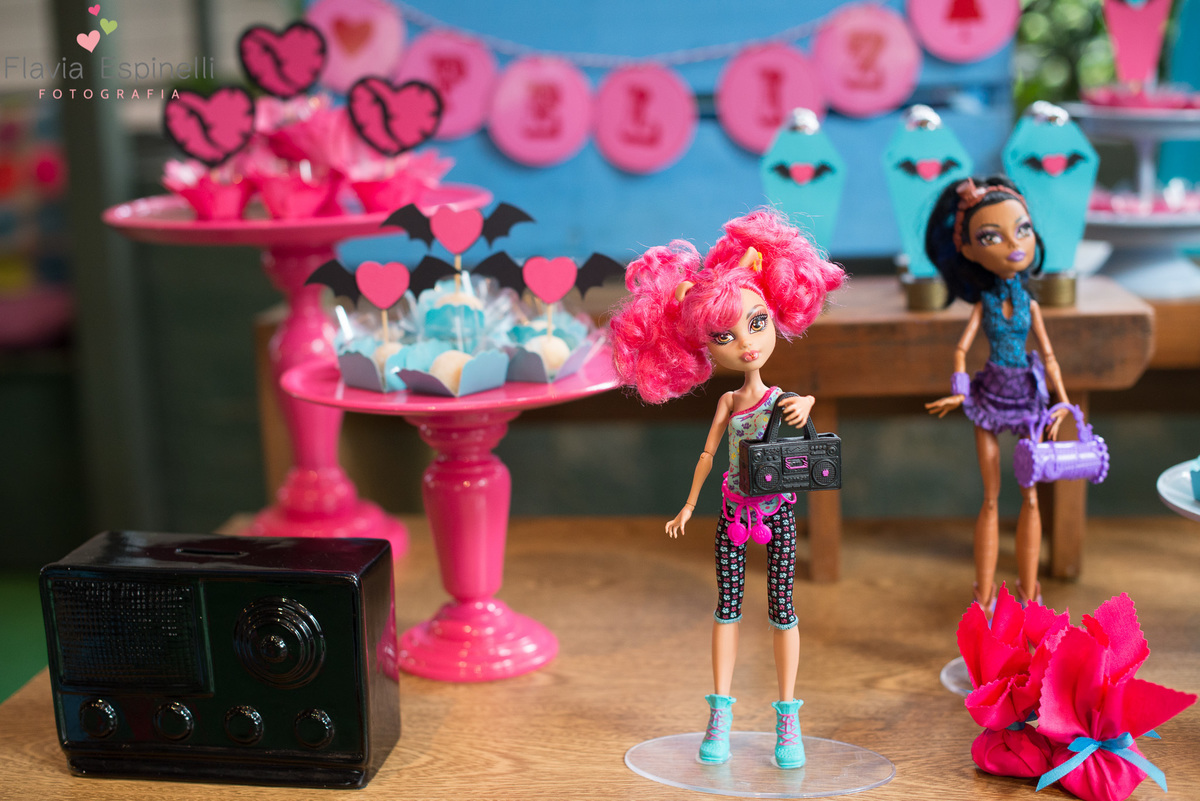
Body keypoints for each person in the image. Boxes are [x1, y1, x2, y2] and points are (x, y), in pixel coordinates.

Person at [609, 209, 844, 768]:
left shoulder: (780, 398)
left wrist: (805, 406)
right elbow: (708, 455)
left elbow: (800, 408)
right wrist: (689, 503)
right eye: (724, 336)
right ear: (702, 345)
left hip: (778, 512)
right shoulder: (727, 402)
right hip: (733, 513)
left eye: (756, 323)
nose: (745, 344)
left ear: (775, 315)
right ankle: (720, 715)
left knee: (783, 609)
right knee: (727, 608)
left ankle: (788, 717)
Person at [924, 175, 1072, 614]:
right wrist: (959, 390)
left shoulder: (1031, 305)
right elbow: (960, 350)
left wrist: (1063, 400)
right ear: (969, 251)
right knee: (990, 500)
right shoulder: (983, 304)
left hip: (1028, 398)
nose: (1013, 244)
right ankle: (984, 600)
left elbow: (1049, 356)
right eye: (991, 236)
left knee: (1030, 495)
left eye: (1022, 229)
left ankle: (1030, 599)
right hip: (988, 396)